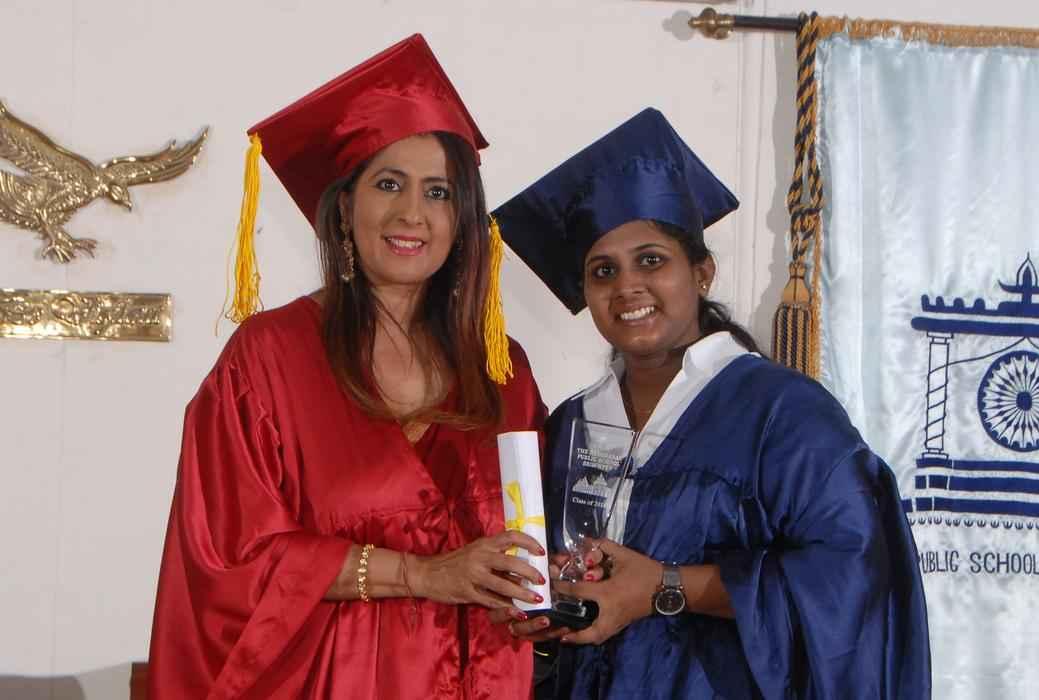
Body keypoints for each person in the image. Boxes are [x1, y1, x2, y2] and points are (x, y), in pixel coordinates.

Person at [147, 35, 549, 699]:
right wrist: (421, 574)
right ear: (344, 207)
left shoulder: (501, 368)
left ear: (462, 220)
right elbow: (228, 558)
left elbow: (531, 539)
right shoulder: (269, 358)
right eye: (388, 184)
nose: (412, 213)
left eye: (439, 192)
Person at [489, 108, 931, 699]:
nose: (627, 287)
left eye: (651, 260)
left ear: (702, 272)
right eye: (603, 271)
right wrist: (547, 602)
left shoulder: (782, 414)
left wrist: (665, 586)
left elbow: (856, 576)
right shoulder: (574, 423)